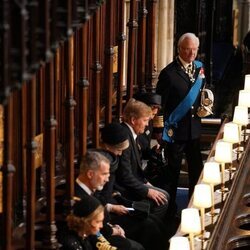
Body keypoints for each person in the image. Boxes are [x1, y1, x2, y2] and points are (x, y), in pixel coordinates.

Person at [95, 121, 168, 250]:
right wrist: (112, 207)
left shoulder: (111, 159)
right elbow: (96, 200)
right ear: (107, 146)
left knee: (154, 221)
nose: (120, 154)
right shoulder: (100, 164)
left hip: (114, 203)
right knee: (149, 227)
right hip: (105, 217)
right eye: (119, 150)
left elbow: (108, 192)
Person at [156, 33, 205, 213]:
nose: (191, 53)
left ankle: (194, 207)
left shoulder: (199, 69)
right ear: (179, 49)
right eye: (187, 49)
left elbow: (201, 95)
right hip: (175, 132)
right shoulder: (168, 74)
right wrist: (159, 131)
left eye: (194, 49)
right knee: (173, 174)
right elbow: (158, 105)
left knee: (196, 172)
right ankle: (169, 212)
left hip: (194, 131)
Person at [75, 150, 144, 250]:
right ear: (90, 174)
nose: (107, 179)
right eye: (104, 174)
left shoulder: (90, 188)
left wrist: (112, 227)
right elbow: (92, 233)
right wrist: (113, 230)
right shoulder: (78, 197)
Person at [115, 98, 169, 221]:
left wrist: (145, 183)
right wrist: (146, 190)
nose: (146, 124)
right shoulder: (125, 136)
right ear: (133, 120)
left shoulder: (132, 133)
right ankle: (148, 228)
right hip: (123, 189)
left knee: (163, 195)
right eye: (145, 120)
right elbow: (125, 175)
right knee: (163, 200)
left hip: (135, 181)